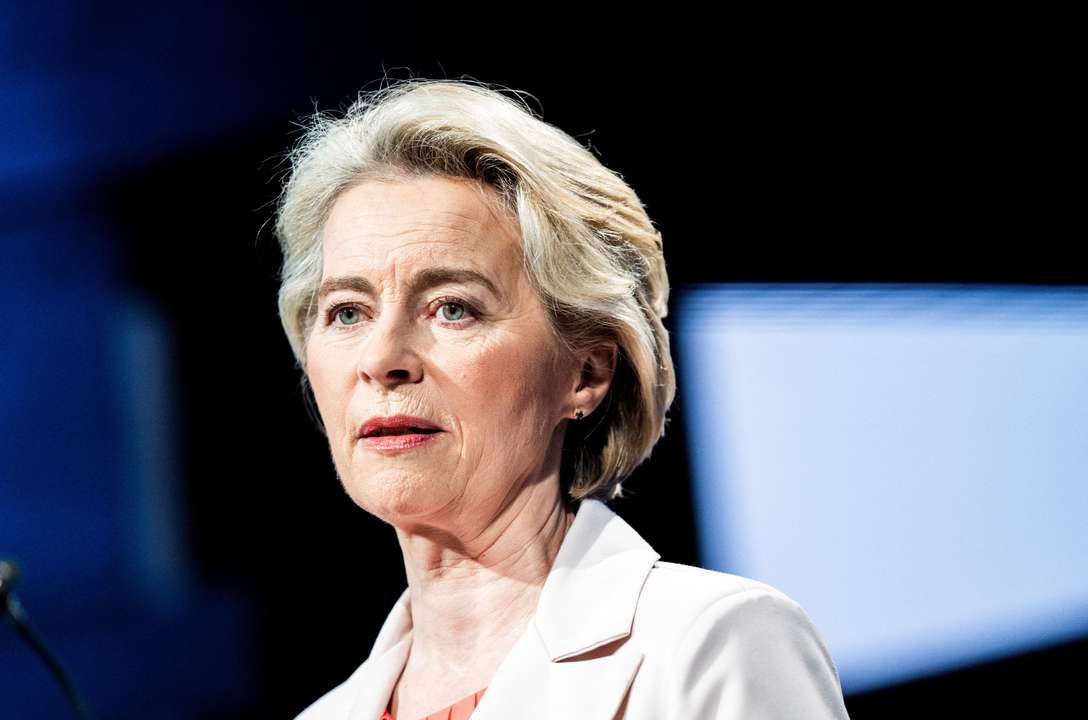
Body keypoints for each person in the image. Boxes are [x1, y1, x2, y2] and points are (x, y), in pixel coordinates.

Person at [274, 78, 850, 720]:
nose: (382, 360)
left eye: (453, 308)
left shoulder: (710, 646)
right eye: (347, 312)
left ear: (586, 373)